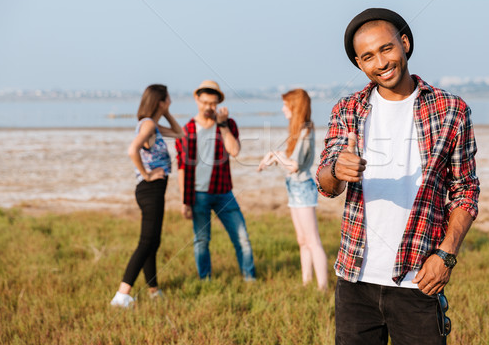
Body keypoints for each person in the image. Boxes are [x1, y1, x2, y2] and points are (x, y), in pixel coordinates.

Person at [316, 8, 480, 344]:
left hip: (419, 280)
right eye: (368, 57)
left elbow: (465, 190)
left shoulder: (451, 110)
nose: (380, 62)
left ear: (404, 43)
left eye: (386, 48)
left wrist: (446, 255)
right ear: (360, 65)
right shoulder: (347, 109)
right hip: (355, 281)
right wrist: (337, 169)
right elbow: (326, 183)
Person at [110, 84, 184, 308]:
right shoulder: (149, 124)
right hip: (150, 189)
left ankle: (154, 290)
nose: (171, 100)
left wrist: (166, 111)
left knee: (153, 241)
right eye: (168, 98)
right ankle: (122, 295)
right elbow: (132, 150)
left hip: (152, 191)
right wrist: (146, 174)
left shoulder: (153, 124)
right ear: (160, 100)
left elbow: (180, 133)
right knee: (146, 242)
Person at [175, 80, 256, 281]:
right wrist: (184, 201)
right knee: (201, 240)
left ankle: (250, 278)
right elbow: (182, 168)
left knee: (242, 238)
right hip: (197, 195)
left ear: (218, 103)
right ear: (197, 100)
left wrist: (222, 125)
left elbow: (234, 150)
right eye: (205, 103)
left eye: (212, 103)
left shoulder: (228, 125)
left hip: (224, 192)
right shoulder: (186, 130)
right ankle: (206, 280)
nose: (209, 107)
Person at [258, 89, 328, 290]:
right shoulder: (298, 131)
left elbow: (294, 165)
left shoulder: (306, 131)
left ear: (295, 107)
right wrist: (273, 157)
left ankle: (322, 288)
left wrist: (275, 155)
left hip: (303, 188)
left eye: (286, 105)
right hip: (294, 187)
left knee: (313, 241)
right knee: (302, 240)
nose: (282, 108)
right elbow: (289, 161)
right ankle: (306, 283)